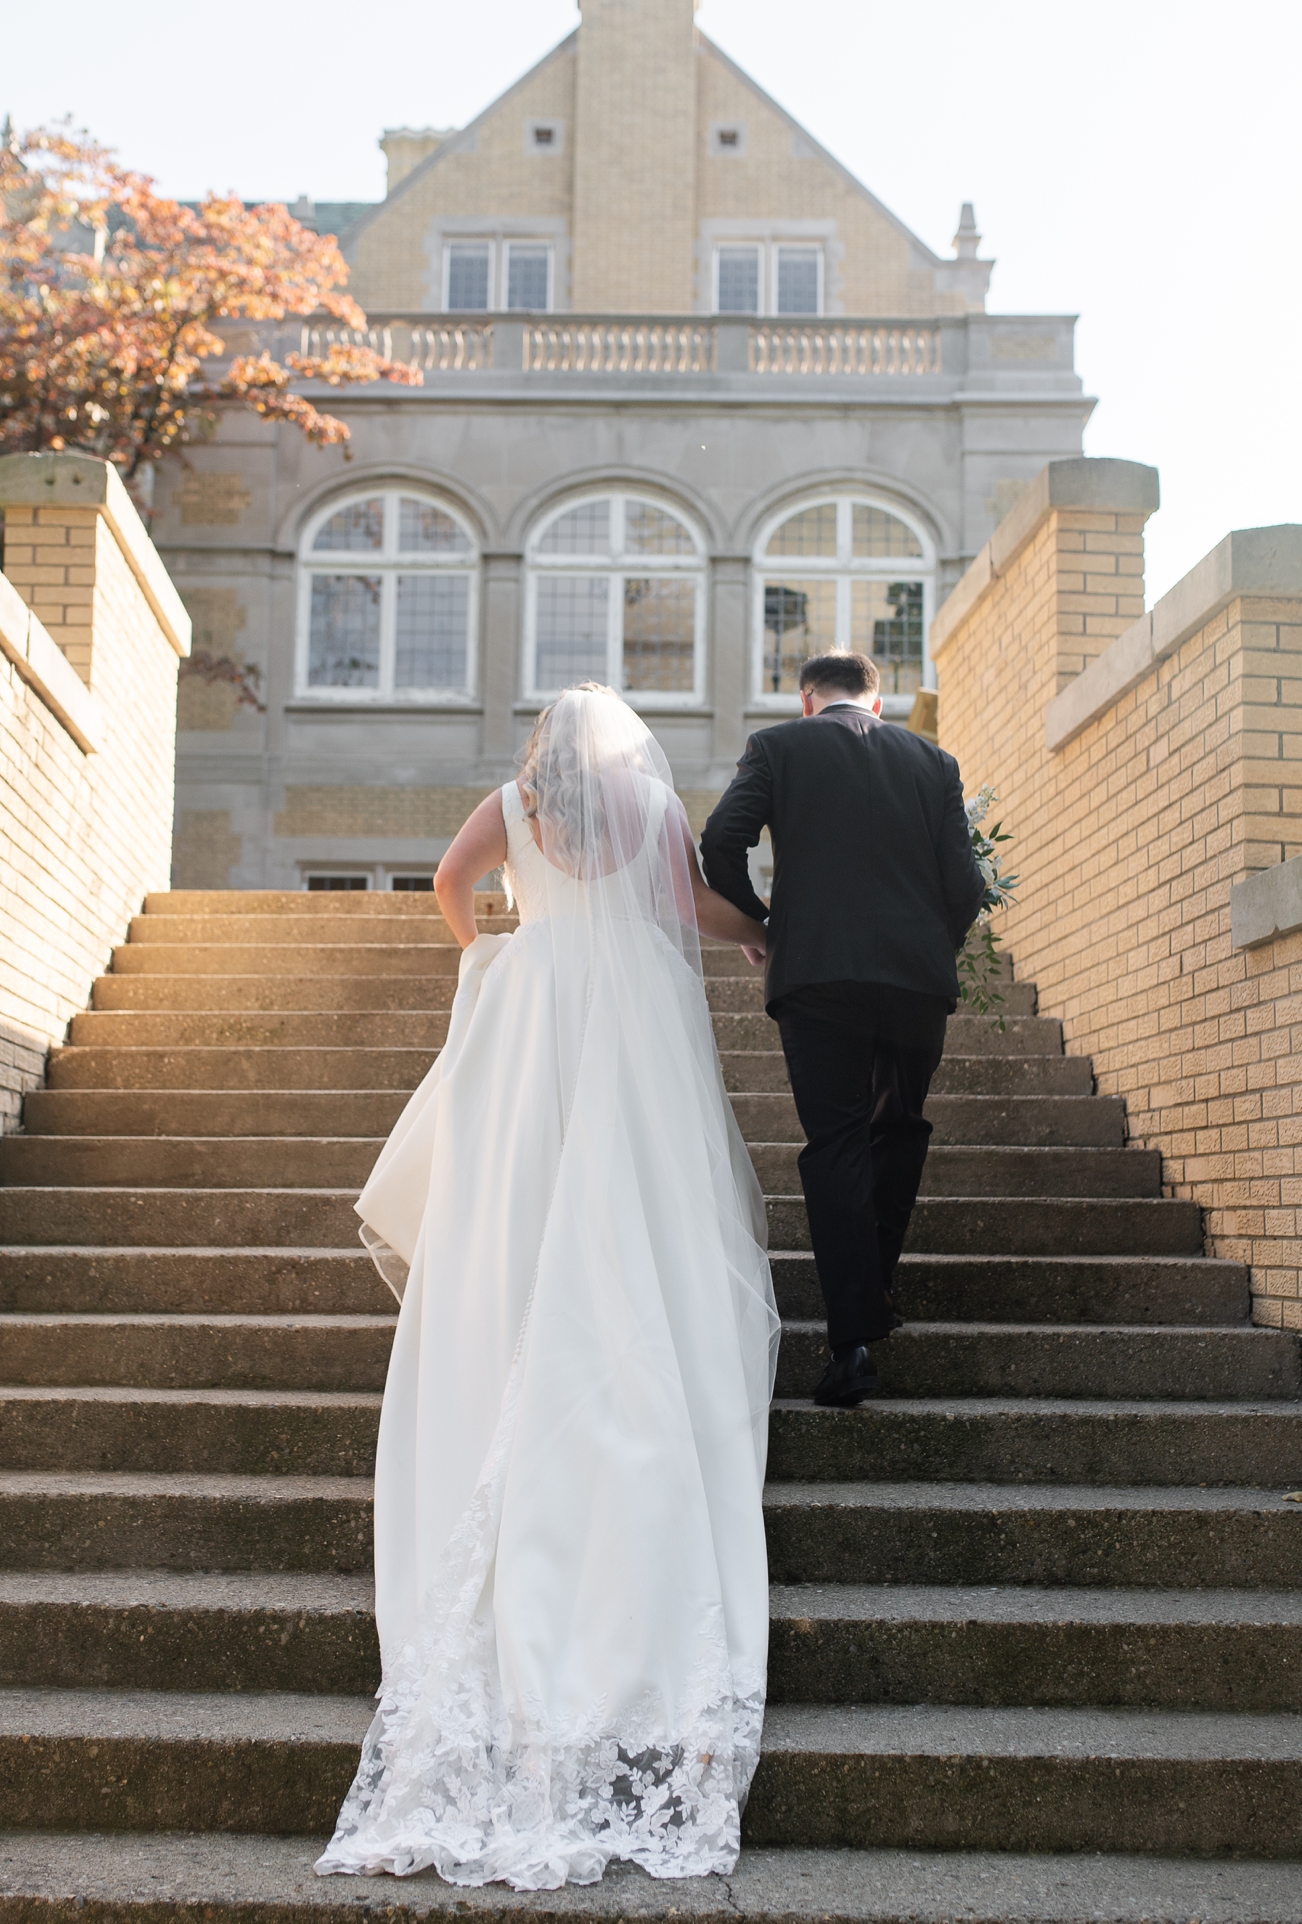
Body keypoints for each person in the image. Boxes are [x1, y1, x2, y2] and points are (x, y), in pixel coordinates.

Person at [316, 683, 781, 1892]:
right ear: (622, 746)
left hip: (538, 1008)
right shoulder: (650, 801)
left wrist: (492, 956)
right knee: (637, 1187)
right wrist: (762, 936)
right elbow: (684, 906)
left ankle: (520, 1322)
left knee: (521, 1189)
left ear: (542, 748)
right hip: (630, 1011)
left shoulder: (515, 803)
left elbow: (444, 886)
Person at [700, 649, 983, 1409]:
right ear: (877, 704)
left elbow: (721, 840)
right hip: (915, 980)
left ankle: (851, 1341)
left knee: (836, 1141)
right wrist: (930, 943)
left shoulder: (778, 748)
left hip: (819, 977)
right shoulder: (934, 760)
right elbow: (968, 883)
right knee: (898, 1129)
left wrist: (765, 924)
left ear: (806, 700)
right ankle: (874, 1293)